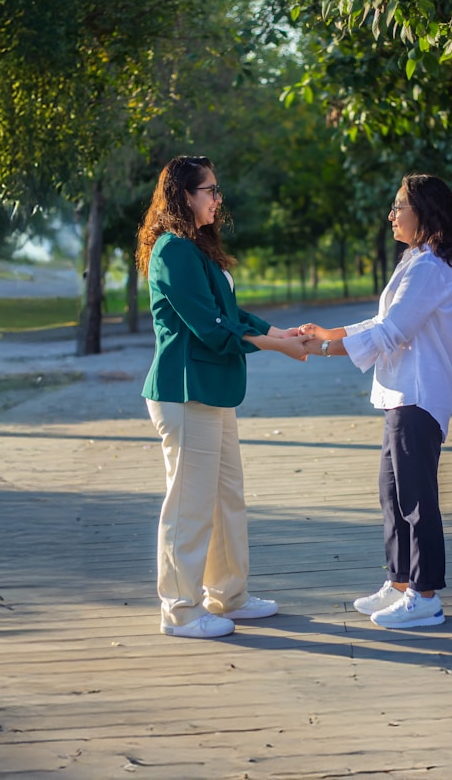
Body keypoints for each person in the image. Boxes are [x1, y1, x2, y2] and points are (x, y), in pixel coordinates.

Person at [137, 155, 312, 639]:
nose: (218, 198)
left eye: (217, 189)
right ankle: (180, 610)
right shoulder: (171, 250)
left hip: (212, 391)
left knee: (226, 498)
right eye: (210, 190)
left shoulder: (196, 249)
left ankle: (228, 595)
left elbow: (231, 312)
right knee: (189, 505)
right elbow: (213, 329)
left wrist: (281, 331)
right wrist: (279, 346)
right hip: (185, 390)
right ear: (184, 195)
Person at [298, 174, 452, 629]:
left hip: (419, 395)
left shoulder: (431, 268)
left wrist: (320, 349)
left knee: (416, 499)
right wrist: (330, 335)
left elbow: (392, 334)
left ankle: (426, 594)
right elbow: (380, 321)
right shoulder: (415, 261)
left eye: (399, 207)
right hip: (400, 395)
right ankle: (399, 584)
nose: (391, 215)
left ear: (425, 214)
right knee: (392, 494)